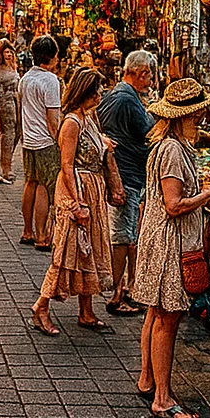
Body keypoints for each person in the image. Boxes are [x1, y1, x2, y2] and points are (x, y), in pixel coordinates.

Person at [134, 79, 210, 418]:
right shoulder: (173, 150)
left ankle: (148, 379)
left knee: (155, 313)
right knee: (167, 318)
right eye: (200, 111)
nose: (204, 115)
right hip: (168, 241)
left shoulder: (169, 145)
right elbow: (174, 205)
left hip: (160, 237)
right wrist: (209, 194)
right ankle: (162, 398)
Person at [31, 68, 124, 335]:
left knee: (89, 250)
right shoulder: (71, 122)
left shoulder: (89, 118)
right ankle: (41, 306)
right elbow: (67, 165)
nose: (100, 94)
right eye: (96, 90)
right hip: (77, 191)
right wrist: (78, 201)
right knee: (67, 252)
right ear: (84, 91)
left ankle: (86, 311)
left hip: (91, 189)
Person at [97, 50, 156, 317]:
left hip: (122, 172)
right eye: (149, 75)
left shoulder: (115, 96)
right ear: (141, 72)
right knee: (122, 234)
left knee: (126, 232)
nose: (151, 81)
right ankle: (116, 292)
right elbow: (149, 132)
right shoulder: (127, 99)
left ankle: (122, 288)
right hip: (127, 174)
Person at [19, 35, 62, 250]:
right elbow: (52, 118)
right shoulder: (50, 81)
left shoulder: (25, 78)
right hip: (45, 140)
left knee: (30, 183)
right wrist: (59, 141)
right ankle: (42, 236)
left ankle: (27, 231)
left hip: (29, 139)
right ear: (53, 57)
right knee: (44, 187)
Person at [0, 43, 21, 184]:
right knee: (8, 134)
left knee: (16, 133)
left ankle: (7, 163)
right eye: (6, 52)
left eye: (10, 52)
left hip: (16, 102)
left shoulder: (14, 68)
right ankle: (5, 168)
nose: (8, 55)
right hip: (4, 104)